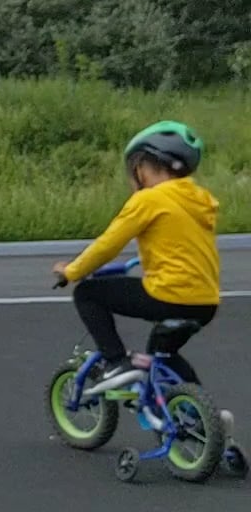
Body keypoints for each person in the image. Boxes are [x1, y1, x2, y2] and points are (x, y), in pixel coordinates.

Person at [52, 120, 220, 387]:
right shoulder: (199, 200)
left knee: (88, 294)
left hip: (169, 294)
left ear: (143, 166)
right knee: (163, 354)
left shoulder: (150, 199)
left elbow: (108, 244)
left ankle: (116, 361)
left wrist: (72, 271)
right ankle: (203, 418)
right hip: (206, 301)